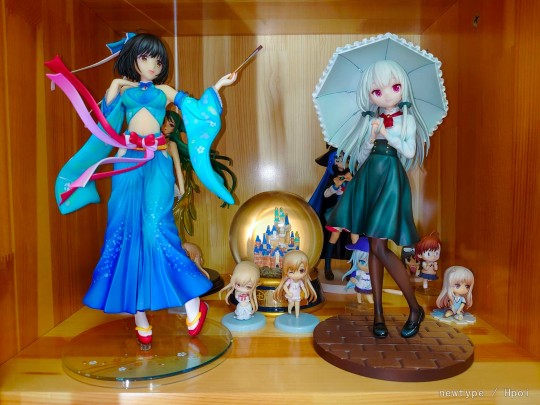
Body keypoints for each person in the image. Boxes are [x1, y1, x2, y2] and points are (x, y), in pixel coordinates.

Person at [47, 33, 237, 348]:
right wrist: (116, 84)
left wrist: (218, 87)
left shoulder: (165, 91)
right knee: (123, 231)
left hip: (158, 160)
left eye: (158, 60)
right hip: (127, 163)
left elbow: (196, 110)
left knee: (156, 228)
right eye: (145, 57)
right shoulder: (123, 90)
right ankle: (139, 316)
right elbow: (106, 120)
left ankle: (192, 302)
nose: (153, 65)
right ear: (133, 58)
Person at [326, 60, 430, 338]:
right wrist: (372, 137)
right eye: (377, 91)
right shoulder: (370, 120)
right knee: (374, 247)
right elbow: (361, 157)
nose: (386, 95)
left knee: (379, 247)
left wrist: (387, 134)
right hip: (370, 177)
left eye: (394, 87)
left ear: (403, 88)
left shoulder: (407, 119)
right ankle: (379, 315)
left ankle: (414, 308)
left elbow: (409, 151)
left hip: (391, 180)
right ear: (370, 95)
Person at [308, 148, 352, 280]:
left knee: (354, 239)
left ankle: (353, 268)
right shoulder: (333, 178)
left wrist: (352, 181)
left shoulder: (353, 175)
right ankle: (327, 267)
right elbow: (326, 194)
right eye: (337, 159)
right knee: (334, 237)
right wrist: (335, 186)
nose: (340, 162)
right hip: (338, 212)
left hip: (351, 213)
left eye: (344, 158)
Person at [273, 250, 317, 318]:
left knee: (297, 304)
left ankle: (297, 315)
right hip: (291, 294)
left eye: (301, 270)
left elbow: (303, 287)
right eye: (291, 272)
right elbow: (285, 286)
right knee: (291, 303)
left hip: (297, 295)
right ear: (285, 271)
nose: (296, 275)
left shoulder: (300, 282)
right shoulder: (290, 281)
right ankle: (289, 310)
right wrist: (288, 292)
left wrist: (305, 293)